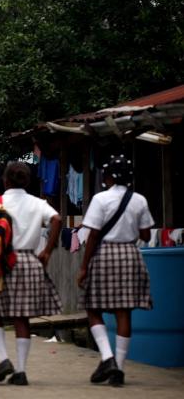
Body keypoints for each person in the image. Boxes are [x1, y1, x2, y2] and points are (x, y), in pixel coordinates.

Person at [0, 161, 62, 386]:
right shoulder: (38, 203)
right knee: (21, 317)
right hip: (29, 261)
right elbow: (57, 219)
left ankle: (3, 359)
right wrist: (47, 251)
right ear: (28, 181)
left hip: (1, 261)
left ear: (5, 180)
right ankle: (22, 371)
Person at [78, 154, 153, 387]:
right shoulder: (139, 200)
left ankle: (107, 357)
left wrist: (83, 267)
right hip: (130, 255)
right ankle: (118, 369)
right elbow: (146, 235)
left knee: (93, 308)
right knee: (124, 312)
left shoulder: (100, 199)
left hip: (105, 254)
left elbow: (92, 235)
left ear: (108, 176)